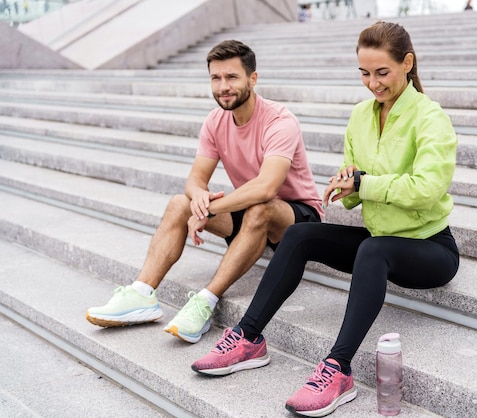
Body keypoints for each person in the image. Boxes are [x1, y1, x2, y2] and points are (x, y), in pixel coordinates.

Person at [191, 21, 460, 417]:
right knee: (300, 234)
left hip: (430, 249)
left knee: (372, 248)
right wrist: (346, 185)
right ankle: (248, 338)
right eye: (364, 73)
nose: (373, 83)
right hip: (380, 238)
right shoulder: (361, 117)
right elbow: (357, 182)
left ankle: (339, 369)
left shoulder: (431, 118)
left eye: (382, 72)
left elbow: (426, 189)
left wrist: (364, 184)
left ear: (407, 63)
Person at [85, 40, 323, 344]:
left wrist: (210, 210)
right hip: (250, 212)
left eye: (232, 77)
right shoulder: (215, 121)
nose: (223, 86)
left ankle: (205, 302)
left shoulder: (280, 121)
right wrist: (198, 199)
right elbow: (196, 179)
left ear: (253, 78)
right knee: (179, 202)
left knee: (261, 207)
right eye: (216, 78)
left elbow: (267, 187)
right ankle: (141, 294)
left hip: (297, 219)